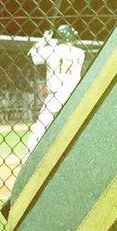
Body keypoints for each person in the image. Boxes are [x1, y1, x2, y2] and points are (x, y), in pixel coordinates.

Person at [23, 24, 85, 159]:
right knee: (73, 125)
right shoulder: (80, 53)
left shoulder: (51, 50)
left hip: (55, 96)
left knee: (41, 125)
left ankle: (28, 156)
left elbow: (33, 56)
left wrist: (43, 41)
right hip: (73, 96)